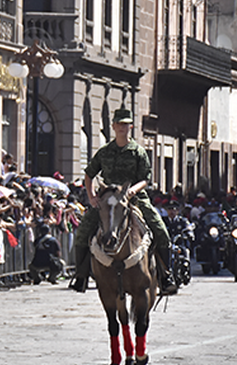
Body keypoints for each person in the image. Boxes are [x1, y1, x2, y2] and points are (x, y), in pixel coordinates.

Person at [69, 108, 177, 295]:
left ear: (130, 127)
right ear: (113, 126)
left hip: (134, 198)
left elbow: (145, 178)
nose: (122, 127)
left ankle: (165, 276)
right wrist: (92, 196)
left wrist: (133, 190)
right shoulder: (104, 152)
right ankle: (81, 276)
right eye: (119, 124)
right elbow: (88, 175)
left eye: (125, 124)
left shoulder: (138, 151)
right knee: (84, 231)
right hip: (108, 199)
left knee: (160, 230)